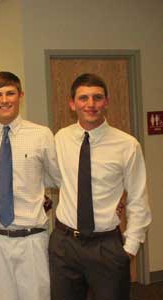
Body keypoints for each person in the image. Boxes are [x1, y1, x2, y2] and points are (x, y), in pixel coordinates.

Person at [50, 73, 152, 299]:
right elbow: (50, 178)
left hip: (106, 246)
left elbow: (138, 198)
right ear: (72, 103)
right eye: (83, 98)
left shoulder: (127, 145)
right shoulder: (60, 138)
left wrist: (129, 248)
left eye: (97, 98)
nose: (90, 104)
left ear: (106, 102)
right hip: (65, 244)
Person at [0, 71, 60, 300]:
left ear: (20, 95)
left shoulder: (41, 135)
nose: (4, 100)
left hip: (31, 237)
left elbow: (55, 178)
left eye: (10, 93)